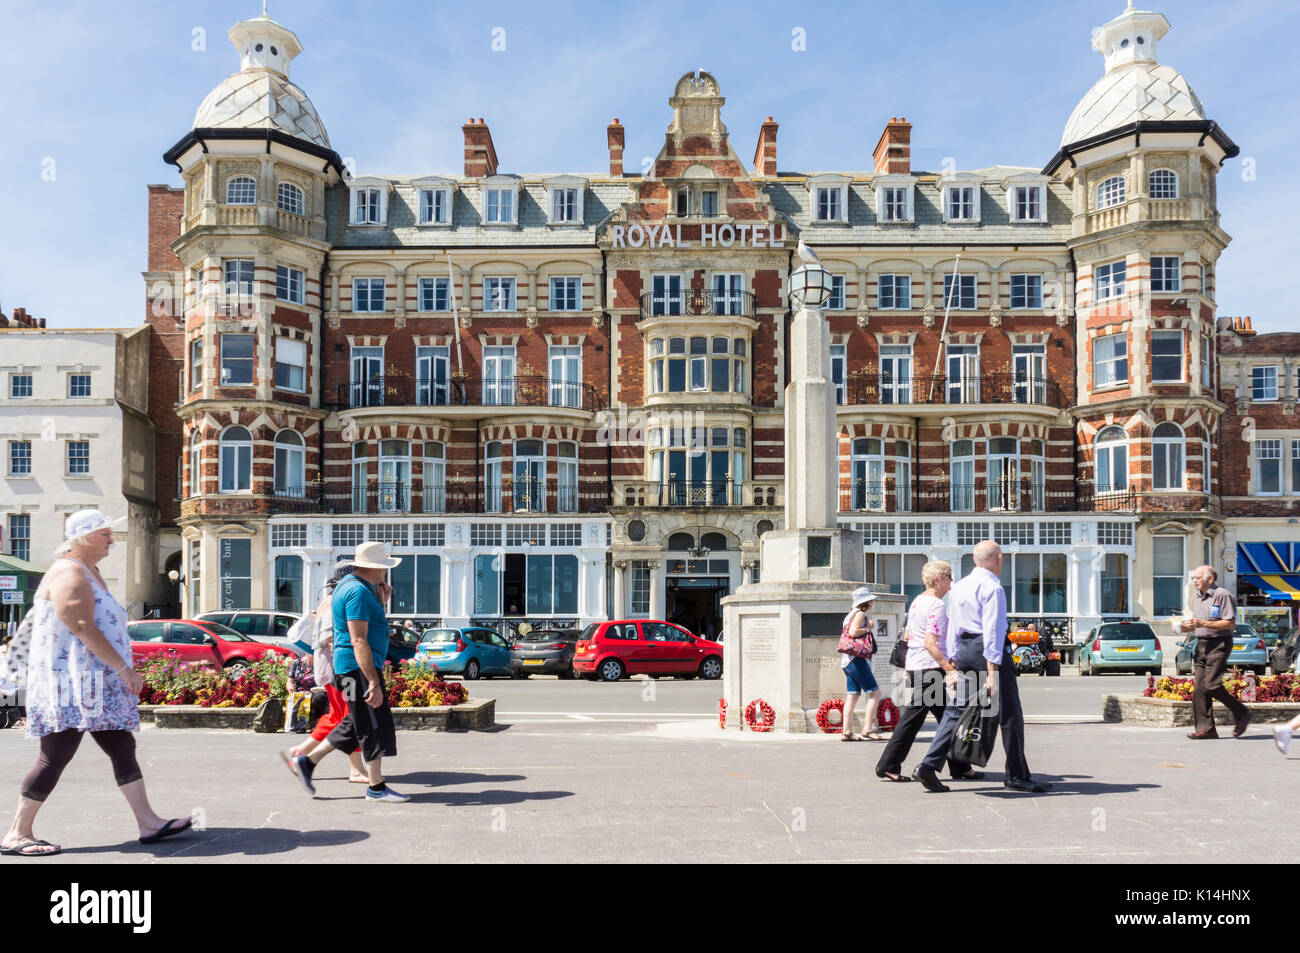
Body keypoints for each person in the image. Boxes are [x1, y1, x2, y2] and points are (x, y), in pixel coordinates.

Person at [1, 509, 192, 856]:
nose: (111, 539)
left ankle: (148, 822)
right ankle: (16, 833)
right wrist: (123, 669)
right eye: (104, 533)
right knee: (55, 754)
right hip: (72, 684)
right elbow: (81, 625)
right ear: (84, 537)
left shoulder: (91, 572)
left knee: (121, 746)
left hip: (92, 684)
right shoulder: (69, 571)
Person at [914, 540, 1052, 793]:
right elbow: (993, 630)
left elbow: (954, 626)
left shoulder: (959, 587)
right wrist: (992, 671)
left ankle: (928, 765)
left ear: (975, 560)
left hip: (965, 650)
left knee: (956, 710)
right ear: (998, 558)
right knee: (1010, 715)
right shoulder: (992, 588)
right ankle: (1017, 775)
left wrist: (953, 663)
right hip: (986, 651)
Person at [290, 542, 408, 802]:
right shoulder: (358, 592)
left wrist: (381, 603)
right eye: (384, 567)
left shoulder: (352, 586)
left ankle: (307, 762)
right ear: (376, 568)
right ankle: (376, 788)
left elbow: (365, 628)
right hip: (357, 668)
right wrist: (373, 682)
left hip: (350, 667)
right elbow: (358, 639)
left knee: (354, 722)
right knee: (371, 724)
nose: (385, 573)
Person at [875, 561, 976, 782]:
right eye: (949, 576)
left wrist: (907, 667)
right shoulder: (936, 606)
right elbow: (930, 642)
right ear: (938, 580)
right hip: (929, 667)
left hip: (917, 665)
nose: (952, 581)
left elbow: (909, 636)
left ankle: (960, 766)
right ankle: (888, 764)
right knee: (915, 719)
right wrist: (949, 668)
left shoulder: (917, 602)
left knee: (944, 717)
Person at [283, 565, 366, 781]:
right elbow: (331, 638)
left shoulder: (327, 600)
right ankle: (356, 769)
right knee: (351, 716)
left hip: (327, 666)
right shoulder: (336, 601)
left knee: (337, 716)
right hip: (336, 667)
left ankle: (300, 751)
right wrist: (344, 667)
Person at [1180, 565, 1250, 740]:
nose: (1194, 581)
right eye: (1193, 578)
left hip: (1219, 643)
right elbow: (1199, 622)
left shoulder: (1222, 595)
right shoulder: (1197, 597)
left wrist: (1203, 623)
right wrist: (1186, 626)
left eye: (1197, 577)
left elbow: (1230, 624)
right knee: (1199, 689)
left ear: (1210, 579)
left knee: (1211, 685)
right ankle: (1206, 729)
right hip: (1201, 643)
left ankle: (1241, 712)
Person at [840, 587, 883, 742]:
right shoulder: (859, 614)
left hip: (847, 661)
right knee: (875, 693)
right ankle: (867, 729)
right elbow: (853, 632)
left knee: (852, 695)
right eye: (870, 600)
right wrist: (868, 627)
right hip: (857, 660)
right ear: (865, 602)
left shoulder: (850, 614)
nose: (872, 602)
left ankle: (847, 731)